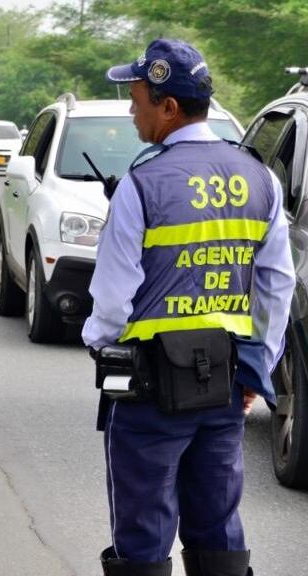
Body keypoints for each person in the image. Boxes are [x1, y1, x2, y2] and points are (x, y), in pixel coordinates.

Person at [84, 39, 295, 576]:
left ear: (169, 106)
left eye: (136, 98)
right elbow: (276, 285)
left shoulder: (142, 185)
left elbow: (111, 301)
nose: (132, 109)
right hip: (224, 383)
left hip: (148, 388)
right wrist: (257, 369)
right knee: (217, 527)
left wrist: (99, 343)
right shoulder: (260, 178)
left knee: (143, 534)